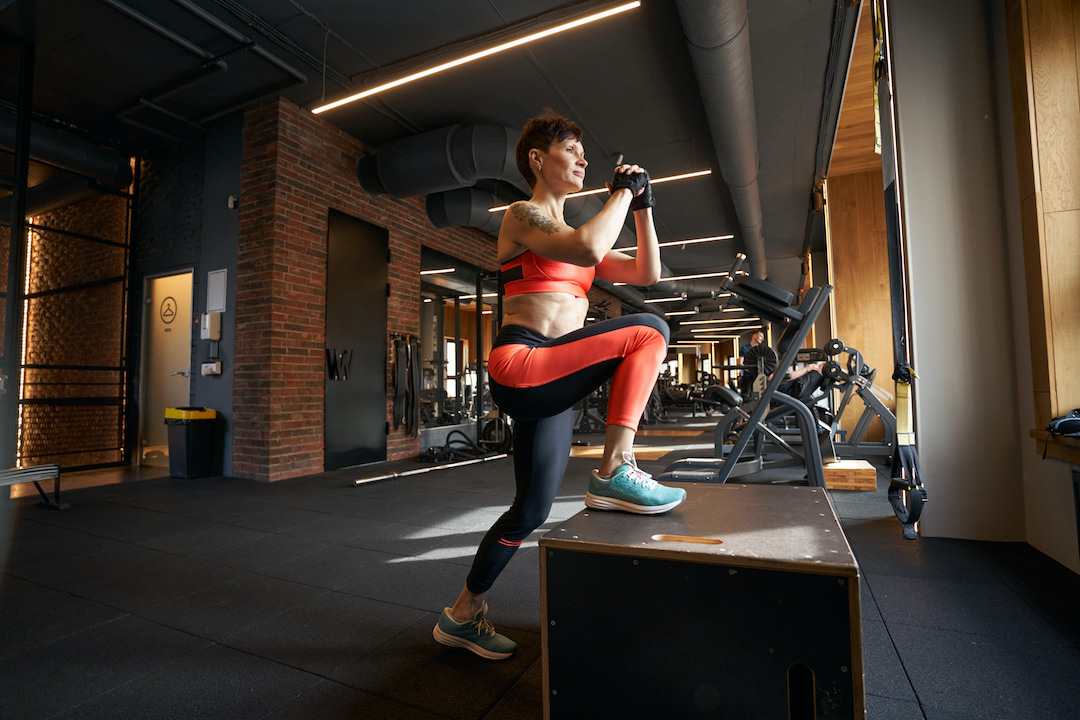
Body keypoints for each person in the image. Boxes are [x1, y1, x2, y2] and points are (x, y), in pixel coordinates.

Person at [432, 110, 686, 660]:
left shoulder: (575, 238)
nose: (583, 160)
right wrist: (620, 190)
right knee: (650, 331)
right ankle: (616, 466)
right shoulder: (524, 216)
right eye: (573, 151)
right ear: (537, 160)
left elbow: (647, 273)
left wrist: (642, 207)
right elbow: (590, 249)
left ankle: (462, 613)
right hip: (522, 360)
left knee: (531, 510)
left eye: (584, 155)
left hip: (551, 377)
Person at [737, 330, 765, 396]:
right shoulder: (744, 348)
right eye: (761, 336)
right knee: (746, 397)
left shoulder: (760, 350)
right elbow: (740, 363)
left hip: (758, 378)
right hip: (747, 377)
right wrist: (749, 370)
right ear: (754, 336)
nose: (762, 339)